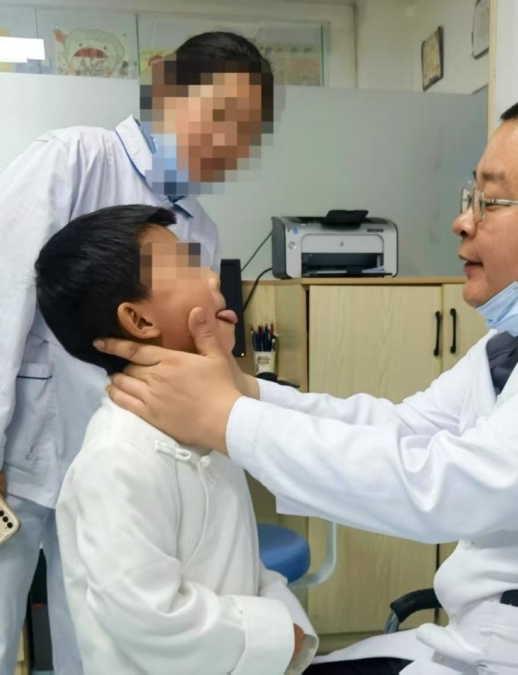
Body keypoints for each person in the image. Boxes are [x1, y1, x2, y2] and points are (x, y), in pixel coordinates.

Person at [95, 92, 518, 674]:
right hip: (509, 638)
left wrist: (227, 419)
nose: (462, 221)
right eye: (471, 197)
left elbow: (448, 486)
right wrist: (248, 394)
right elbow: (406, 427)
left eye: (492, 201)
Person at [0, 32, 273, 675]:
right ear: (167, 88)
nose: (227, 143)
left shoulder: (196, 227)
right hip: (11, 461)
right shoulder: (74, 159)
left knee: (99, 648)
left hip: (114, 471)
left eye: (245, 132)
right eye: (218, 114)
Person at [34, 204, 317, 674]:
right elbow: (148, 618)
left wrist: (287, 632)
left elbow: (244, 567)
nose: (212, 278)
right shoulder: (117, 458)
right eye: (187, 268)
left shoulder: (201, 433)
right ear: (139, 321)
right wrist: (278, 636)